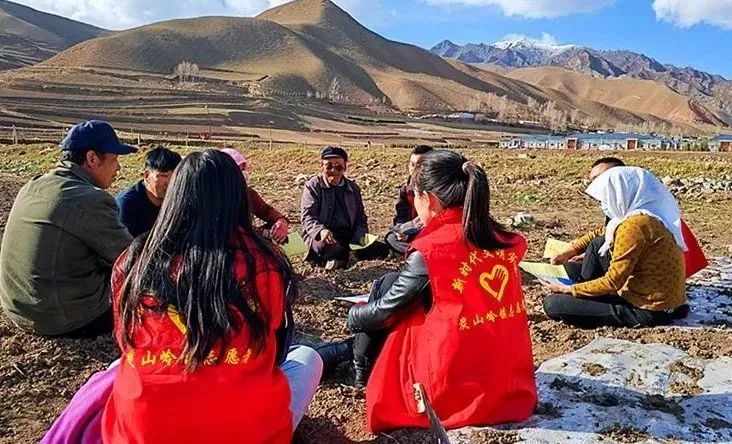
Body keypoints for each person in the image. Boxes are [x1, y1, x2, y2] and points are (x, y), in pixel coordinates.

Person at [102, 150, 322, 443]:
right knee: (308, 358)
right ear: (238, 196)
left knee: (119, 370)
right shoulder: (263, 263)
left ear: (176, 194)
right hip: (241, 431)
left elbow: (124, 337)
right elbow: (276, 347)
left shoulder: (135, 260)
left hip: (143, 433)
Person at [347, 150, 537, 432]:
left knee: (390, 300)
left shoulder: (432, 249)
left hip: (456, 387)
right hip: (508, 380)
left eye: (415, 195)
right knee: (396, 284)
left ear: (430, 199)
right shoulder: (497, 237)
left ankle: (358, 369)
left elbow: (386, 311)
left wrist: (354, 315)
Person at [0, 120, 134, 337]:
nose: (118, 167)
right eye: (114, 159)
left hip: (18, 310)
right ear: (92, 158)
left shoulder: (34, 185)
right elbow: (130, 260)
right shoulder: (89, 199)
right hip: (63, 320)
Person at [543, 167, 688, 328]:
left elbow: (613, 282)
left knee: (553, 304)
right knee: (589, 252)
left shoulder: (633, 227)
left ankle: (590, 296)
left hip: (648, 309)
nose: (604, 204)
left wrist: (570, 290)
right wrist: (571, 251)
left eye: (607, 197)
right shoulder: (648, 216)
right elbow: (602, 233)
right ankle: (589, 293)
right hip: (666, 302)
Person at [552, 157, 707, 283]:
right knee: (575, 265)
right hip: (645, 274)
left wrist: (576, 290)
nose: (596, 186)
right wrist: (574, 250)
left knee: (591, 253)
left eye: (600, 179)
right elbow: (605, 232)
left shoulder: (640, 219)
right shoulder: (629, 205)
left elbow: (615, 274)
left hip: (649, 285)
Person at [301, 146, 387, 269]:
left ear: (345, 167)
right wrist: (321, 231)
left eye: (338, 166)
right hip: (325, 235)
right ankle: (343, 257)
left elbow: (360, 219)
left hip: (348, 234)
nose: (333, 170)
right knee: (324, 246)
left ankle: (341, 258)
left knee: (380, 249)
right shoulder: (313, 186)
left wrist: (359, 236)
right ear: (322, 167)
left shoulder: (353, 188)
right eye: (328, 166)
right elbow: (308, 217)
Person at [221, 148, 289, 243]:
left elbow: (265, 211)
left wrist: (280, 221)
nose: (243, 174)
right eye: (239, 169)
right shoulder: (212, 197)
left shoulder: (247, 194)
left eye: (243, 169)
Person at [116, 146, 182, 237]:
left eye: (175, 176)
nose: (170, 182)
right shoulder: (127, 204)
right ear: (146, 176)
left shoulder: (179, 200)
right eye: (163, 176)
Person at [385, 145, 433, 255]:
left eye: (420, 165)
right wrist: (401, 230)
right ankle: (416, 252)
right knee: (391, 238)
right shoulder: (406, 190)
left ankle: (417, 252)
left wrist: (412, 228)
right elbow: (401, 214)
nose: (414, 169)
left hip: (431, 232)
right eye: (412, 164)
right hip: (412, 232)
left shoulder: (438, 190)